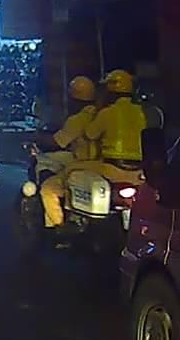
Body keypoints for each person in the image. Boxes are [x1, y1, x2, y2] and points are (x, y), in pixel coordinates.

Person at [40, 69, 147, 231]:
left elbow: (91, 134)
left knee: (68, 173)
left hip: (112, 167)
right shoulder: (140, 113)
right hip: (137, 170)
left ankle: (64, 223)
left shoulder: (106, 113)